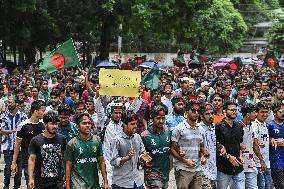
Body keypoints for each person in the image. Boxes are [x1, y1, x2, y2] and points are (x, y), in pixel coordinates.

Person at [171, 100, 208, 189]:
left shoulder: (201, 129)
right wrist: (185, 161)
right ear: (186, 113)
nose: (196, 113)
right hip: (183, 169)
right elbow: (172, 149)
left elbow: (201, 147)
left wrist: (203, 156)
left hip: (197, 169)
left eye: (198, 111)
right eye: (193, 111)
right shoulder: (179, 129)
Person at [64, 113, 108, 189]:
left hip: (94, 184)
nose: (87, 125)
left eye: (89, 123)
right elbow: (68, 166)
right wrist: (68, 187)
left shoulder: (97, 140)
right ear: (77, 126)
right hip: (77, 185)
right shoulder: (72, 144)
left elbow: (101, 161)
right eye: (84, 123)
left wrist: (105, 181)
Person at [110, 110, 152, 189]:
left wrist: (143, 156)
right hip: (121, 182)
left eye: (136, 123)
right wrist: (127, 158)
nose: (135, 126)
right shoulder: (117, 140)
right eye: (132, 124)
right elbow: (112, 161)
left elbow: (141, 152)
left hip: (136, 180)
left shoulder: (137, 137)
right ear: (124, 125)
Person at [28, 112, 66, 189]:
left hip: (58, 182)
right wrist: (31, 178)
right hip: (40, 182)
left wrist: (66, 174)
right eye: (52, 124)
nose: (55, 126)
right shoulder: (36, 140)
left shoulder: (62, 139)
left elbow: (64, 157)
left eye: (56, 124)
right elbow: (32, 160)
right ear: (45, 124)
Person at [11, 100, 46, 187]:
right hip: (27, 160)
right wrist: (14, 162)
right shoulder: (23, 125)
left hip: (42, 160)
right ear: (35, 111)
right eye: (42, 110)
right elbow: (17, 145)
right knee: (31, 183)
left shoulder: (43, 125)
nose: (44, 113)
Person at [215, 101, 245, 189]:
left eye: (235, 110)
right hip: (223, 167)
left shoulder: (239, 126)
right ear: (225, 111)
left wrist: (240, 155)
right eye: (231, 110)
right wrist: (228, 157)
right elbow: (215, 146)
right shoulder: (218, 127)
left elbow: (239, 144)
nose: (234, 112)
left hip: (238, 166)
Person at [0, 95, 27, 189]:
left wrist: (13, 131)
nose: (8, 103)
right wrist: (13, 131)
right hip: (8, 146)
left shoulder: (23, 116)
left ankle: (16, 187)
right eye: (8, 102)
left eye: (11, 102)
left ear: (16, 104)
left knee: (19, 170)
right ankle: (6, 185)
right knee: (8, 167)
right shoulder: (3, 116)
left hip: (20, 147)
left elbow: (25, 130)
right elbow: (1, 130)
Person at [141, 106, 171, 189]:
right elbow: (139, 154)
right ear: (152, 118)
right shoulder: (145, 135)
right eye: (158, 118)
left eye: (163, 118)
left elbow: (172, 149)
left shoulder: (168, 132)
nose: (161, 121)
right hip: (151, 174)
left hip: (165, 173)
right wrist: (142, 158)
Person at [198, 103, 226, 189]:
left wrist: (222, 147)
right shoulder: (198, 128)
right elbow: (194, 146)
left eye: (212, 113)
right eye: (207, 114)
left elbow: (215, 143)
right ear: (201, 116)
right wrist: (201, 153)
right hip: (202, 168)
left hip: (213, 167)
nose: (210, 116)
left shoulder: (215, 127)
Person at [240, 104, 266, 189]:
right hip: (240, 164)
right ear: (248, 114)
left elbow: (254, 144)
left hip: (251, 163)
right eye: (254, 112)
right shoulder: (238, 127)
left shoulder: (251, 126)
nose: (256, 114)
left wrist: (261, 160)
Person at [251, 102, 272, 189]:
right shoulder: (254, 125)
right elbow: (254, 144)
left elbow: (264, 140)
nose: (265, 114)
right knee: (261, 186)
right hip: (258, 163)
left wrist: (272, 139)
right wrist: (261, 161)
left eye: (266, 112)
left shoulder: (265, 124)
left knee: (268, 186)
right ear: (256, 112)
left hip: (266, 162)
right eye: (262, 112)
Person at [103, 101, 124, 186]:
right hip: (108, 161)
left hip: (121, 160)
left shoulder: (124, 124)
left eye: (120, 113)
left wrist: (137, 96)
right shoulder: (105, 122)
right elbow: (99, 110)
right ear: (110, 113)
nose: (118, 115)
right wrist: (97, 96)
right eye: (115, 113)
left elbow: (134, 109)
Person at [267, 103, 284, 188]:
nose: (283, 113)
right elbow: (264, 140)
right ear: (274, 113)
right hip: (275, 160)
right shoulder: (269, 125)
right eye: (280, 112)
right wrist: (272, 141)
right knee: (280, 185)